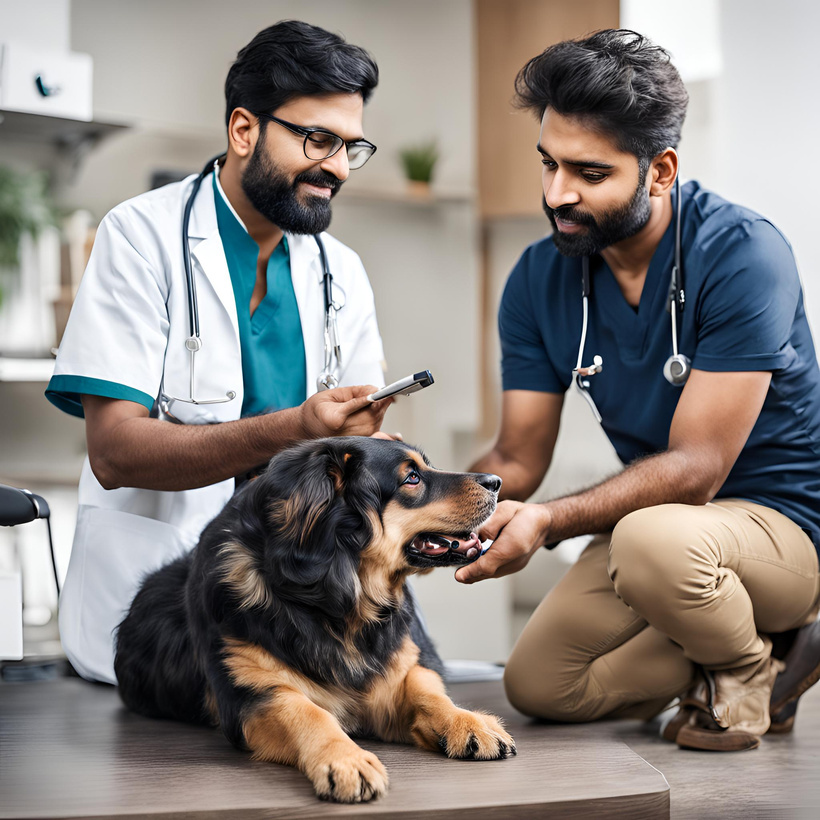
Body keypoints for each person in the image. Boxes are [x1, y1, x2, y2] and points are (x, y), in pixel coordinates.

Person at [458, 29, 820, 752]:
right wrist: (422, 501)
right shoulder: (539, 278)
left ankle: (753, 666)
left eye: (588, 174)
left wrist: (549, 522)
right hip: (663, 532)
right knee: (539, 687)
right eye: (549, 164)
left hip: (780, 529)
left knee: (649, 540)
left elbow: (697, 469)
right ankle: (739, 639)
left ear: (661, 171)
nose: (557, 193)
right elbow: (519, 456)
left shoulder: (746, 254)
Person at [46, 21, 392, 684]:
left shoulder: (339, 271)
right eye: (318, 139)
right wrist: (296, 429)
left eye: (352, 146)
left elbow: (352, 449)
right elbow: (115, 452)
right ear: (244, 131)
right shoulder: (140, 236)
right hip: (158, 620)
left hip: (294, 612)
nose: (338, 168)